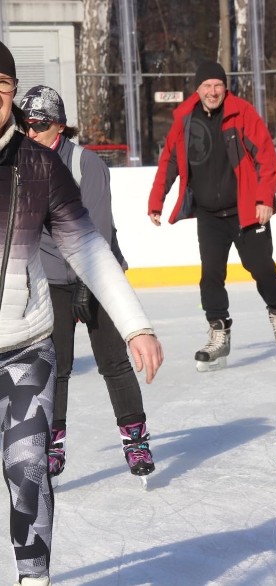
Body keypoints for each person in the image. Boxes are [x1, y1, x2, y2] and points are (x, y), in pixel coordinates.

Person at [0, 42, 163, 586]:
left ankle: (33, 577)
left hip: (26, 339)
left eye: (0, 91)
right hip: (37, 306)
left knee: (27, 468)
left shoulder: (44, 167)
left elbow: (90, 245)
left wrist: (135, 323)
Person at [21, 85, 155, 480]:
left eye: (40, 125)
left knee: (113, 361)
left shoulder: (85, 164)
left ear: (59, 126)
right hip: (50, 280)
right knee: (55, 367)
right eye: (26, 125)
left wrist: (87, 283)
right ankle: (52, 446)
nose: (32, 133)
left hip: (97, 275)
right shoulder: (21, 162)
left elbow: (98, 228)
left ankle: (136, 439)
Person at [148, 60, 276, 371]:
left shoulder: (242, 113)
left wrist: (264, 199)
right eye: (206, 86)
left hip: (247, 212)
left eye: (217, 86)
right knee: (210, 274)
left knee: (262, 268)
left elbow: (267, 158)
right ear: (197, 89)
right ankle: (218, 331)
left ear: (225, 88)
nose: (212, 92)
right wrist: (156, 200)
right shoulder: (185, 119)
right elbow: (169, 160)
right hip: (209, 214)